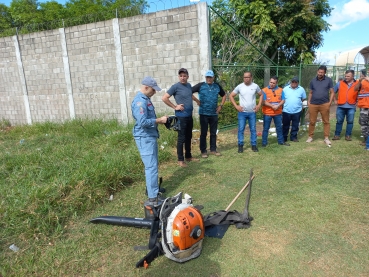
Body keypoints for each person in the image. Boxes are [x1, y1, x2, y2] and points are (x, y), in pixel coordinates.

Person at [131, 77, 168, 206]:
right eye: (153, 90)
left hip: (149, 136)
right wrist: (159, 120)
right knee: (151, 167)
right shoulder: (140, 102)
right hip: (144, 137)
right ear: (146, 87)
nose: (155, 92)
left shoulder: (146, 100)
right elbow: (142, 122)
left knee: (152, 165)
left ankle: (153, 189)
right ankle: (153, 198)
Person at [162, 68, 199, 167]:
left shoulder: (188, 86)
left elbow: (190, 95)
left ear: (187, 76)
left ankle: (188, 156)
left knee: (188, 137)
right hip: (181, 117)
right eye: (181, 76)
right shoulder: (175, 87)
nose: (182, 78)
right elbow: (164, 98)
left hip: (189, 116)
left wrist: (196, 101)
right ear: (179, 77)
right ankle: (180, 160)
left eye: (184, 76)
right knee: (181, 138)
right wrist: (175, 106)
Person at [192, 70, 226, 158]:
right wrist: (196, 100)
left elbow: (224, 95)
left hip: (214, 114)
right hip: (203, 113)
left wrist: (220, 106)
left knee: (213, 133)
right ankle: (203, 151)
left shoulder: (217, 86)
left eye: (210, 77)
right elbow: (189, 91)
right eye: (207, 77)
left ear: (213, 78)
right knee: (203, 133)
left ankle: (213, 149)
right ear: (205, 77)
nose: (209, 79)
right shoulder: (201, 85)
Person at [229, 71, 263, 153]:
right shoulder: (240, 86)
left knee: (253, 129)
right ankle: (240, 146)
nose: (246, 79)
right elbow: (231, 95)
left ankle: (254, 145)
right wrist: (236, 106)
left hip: (252, 112)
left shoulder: (255, 86)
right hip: (242, 113)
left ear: (251, 77)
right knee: (241, 129)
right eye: (245, 77)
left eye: (248, 77)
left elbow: (261, 94)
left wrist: (258, 105)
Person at [306, 65, 334, 145]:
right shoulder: (313, 81)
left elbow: (332, 92)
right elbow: (311, 92)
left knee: (326, 121)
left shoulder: (329, 80)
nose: (320, 73)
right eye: (319, 72)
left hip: (324, 104)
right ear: (317, 71)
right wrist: (309, 102)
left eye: (322, 72)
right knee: (312, 121)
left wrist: (329, 102)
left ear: (325, 73)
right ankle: (310, 137)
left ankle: (326, 138)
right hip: (313, 104)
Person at [261, 76, 290, 147]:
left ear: (276, 83)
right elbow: (263, 102)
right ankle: (264, 143)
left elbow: (283, 100)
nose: (272, 84)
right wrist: (272, 106)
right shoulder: (264, 90)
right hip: (267, 113)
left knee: (279, 128)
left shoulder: (281, 90)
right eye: (271, 82)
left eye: (274, 83)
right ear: (269, 82)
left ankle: (281, 141)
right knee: (266, 128)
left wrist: (278, 105)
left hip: (278, 113)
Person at [332, 70, 358, 141]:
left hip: (351, 106)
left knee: (350, 121)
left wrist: (358, 101)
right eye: (345, 76)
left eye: (348, 76)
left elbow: (361, 92)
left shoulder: (357, 84)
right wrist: (334, 100)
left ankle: (348, 135)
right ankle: (337, 135)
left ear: (353, 76)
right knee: (339, 121)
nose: (346, 77)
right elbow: (333, 91)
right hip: (341, 106)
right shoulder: (340, 83)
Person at [282, 76, 307, 142]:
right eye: (293, 81)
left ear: (298, 83)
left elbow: (303, 99)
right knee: (285, 125)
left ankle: (293, 137)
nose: (294, 83)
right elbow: (282, 99)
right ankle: (284, 137)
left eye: (295, 82)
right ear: (291, 82)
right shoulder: (285, 89)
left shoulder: (301, 89)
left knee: (295, 125)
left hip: (297, 111)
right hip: (286, 110)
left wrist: (301, 107)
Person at [355, 69, 369, 150]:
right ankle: (366, 139)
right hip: (364, 105)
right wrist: (360, 81)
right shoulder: (362, 80)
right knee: (363, 123)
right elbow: (355, 89)